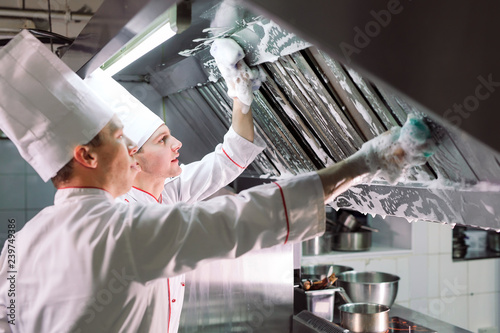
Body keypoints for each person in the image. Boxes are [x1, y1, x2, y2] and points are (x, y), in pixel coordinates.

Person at [0, 31, 435, 333]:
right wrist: (367, 161)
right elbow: (243, 220)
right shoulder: (117, 233)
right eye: (120, 140)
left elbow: (6, 315)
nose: (129, 153)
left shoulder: (23, 241)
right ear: (87, 156)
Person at [83, 41, 266, 332]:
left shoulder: (169, 190)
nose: (177, 144)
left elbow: (230, 159)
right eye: (163, 140)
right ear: (135, 159)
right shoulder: (120, 215)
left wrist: (239, 94)